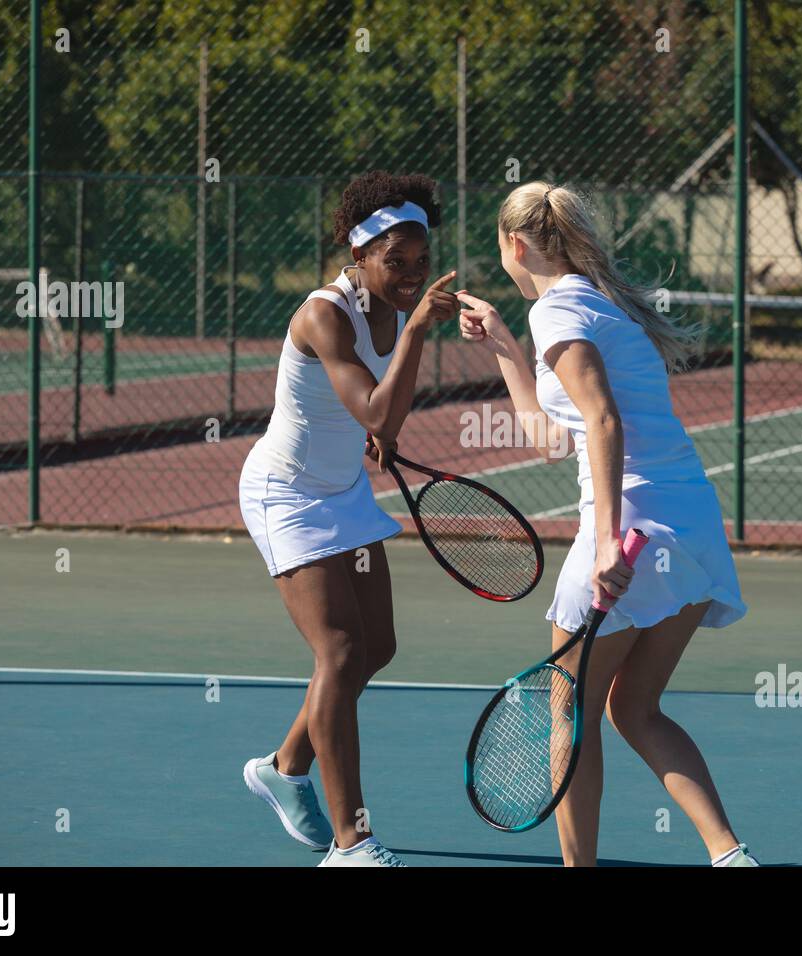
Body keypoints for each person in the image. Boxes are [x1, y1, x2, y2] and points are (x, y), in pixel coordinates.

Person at [457, 181, 756, 867]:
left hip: (632, 529)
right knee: (635, 709)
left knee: (567, 713)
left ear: (516, 244)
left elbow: (603, 420)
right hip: (692, 527)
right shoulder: (595, 306)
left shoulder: (561, 312)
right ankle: (729, 856)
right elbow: (551, 435)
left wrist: (603, 545)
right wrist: (503, 343)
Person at [238, 170, 457, 868]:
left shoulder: (392, 310)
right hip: (287, 495)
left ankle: (283, 766)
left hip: (343, 493)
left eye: (420, 264)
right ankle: (351, 843)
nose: (410, 275)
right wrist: (421, 326)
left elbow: (380, 418)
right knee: (338, 652)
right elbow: (374, 410)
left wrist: (379, 427)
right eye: (396, 263)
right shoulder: (323, 314)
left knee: (376, 649)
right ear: (358, 254)